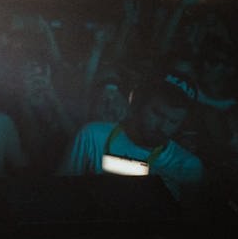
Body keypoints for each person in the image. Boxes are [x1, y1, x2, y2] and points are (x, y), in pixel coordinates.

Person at [59, 73, 204, 198]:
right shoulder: (91, 135)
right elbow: (61, 193)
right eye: (157, 113)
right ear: (139, 103)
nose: (163, 127)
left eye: (173, 121)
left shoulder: (189, 166)